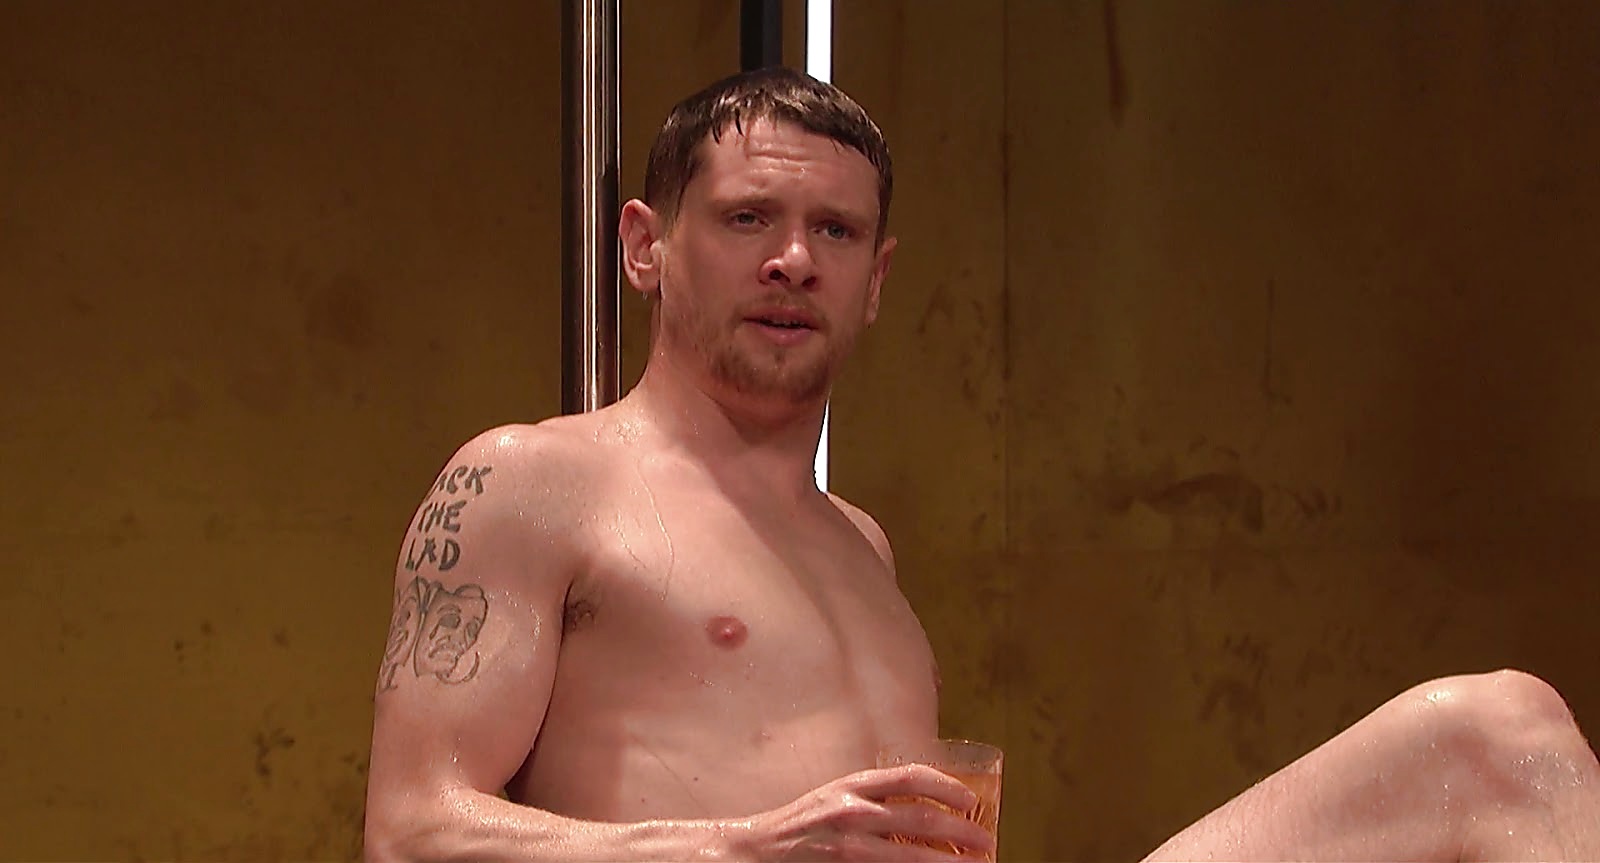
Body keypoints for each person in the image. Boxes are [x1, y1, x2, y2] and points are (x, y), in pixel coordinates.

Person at [363, 67, 1600, 862]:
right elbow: (410, 827)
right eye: (747, 219)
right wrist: (741, 845)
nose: (794, 260)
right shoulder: (531, 480)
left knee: (1499, 731)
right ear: (645, 246)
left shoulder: (861, 546)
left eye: (834, 230)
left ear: (876, 278)